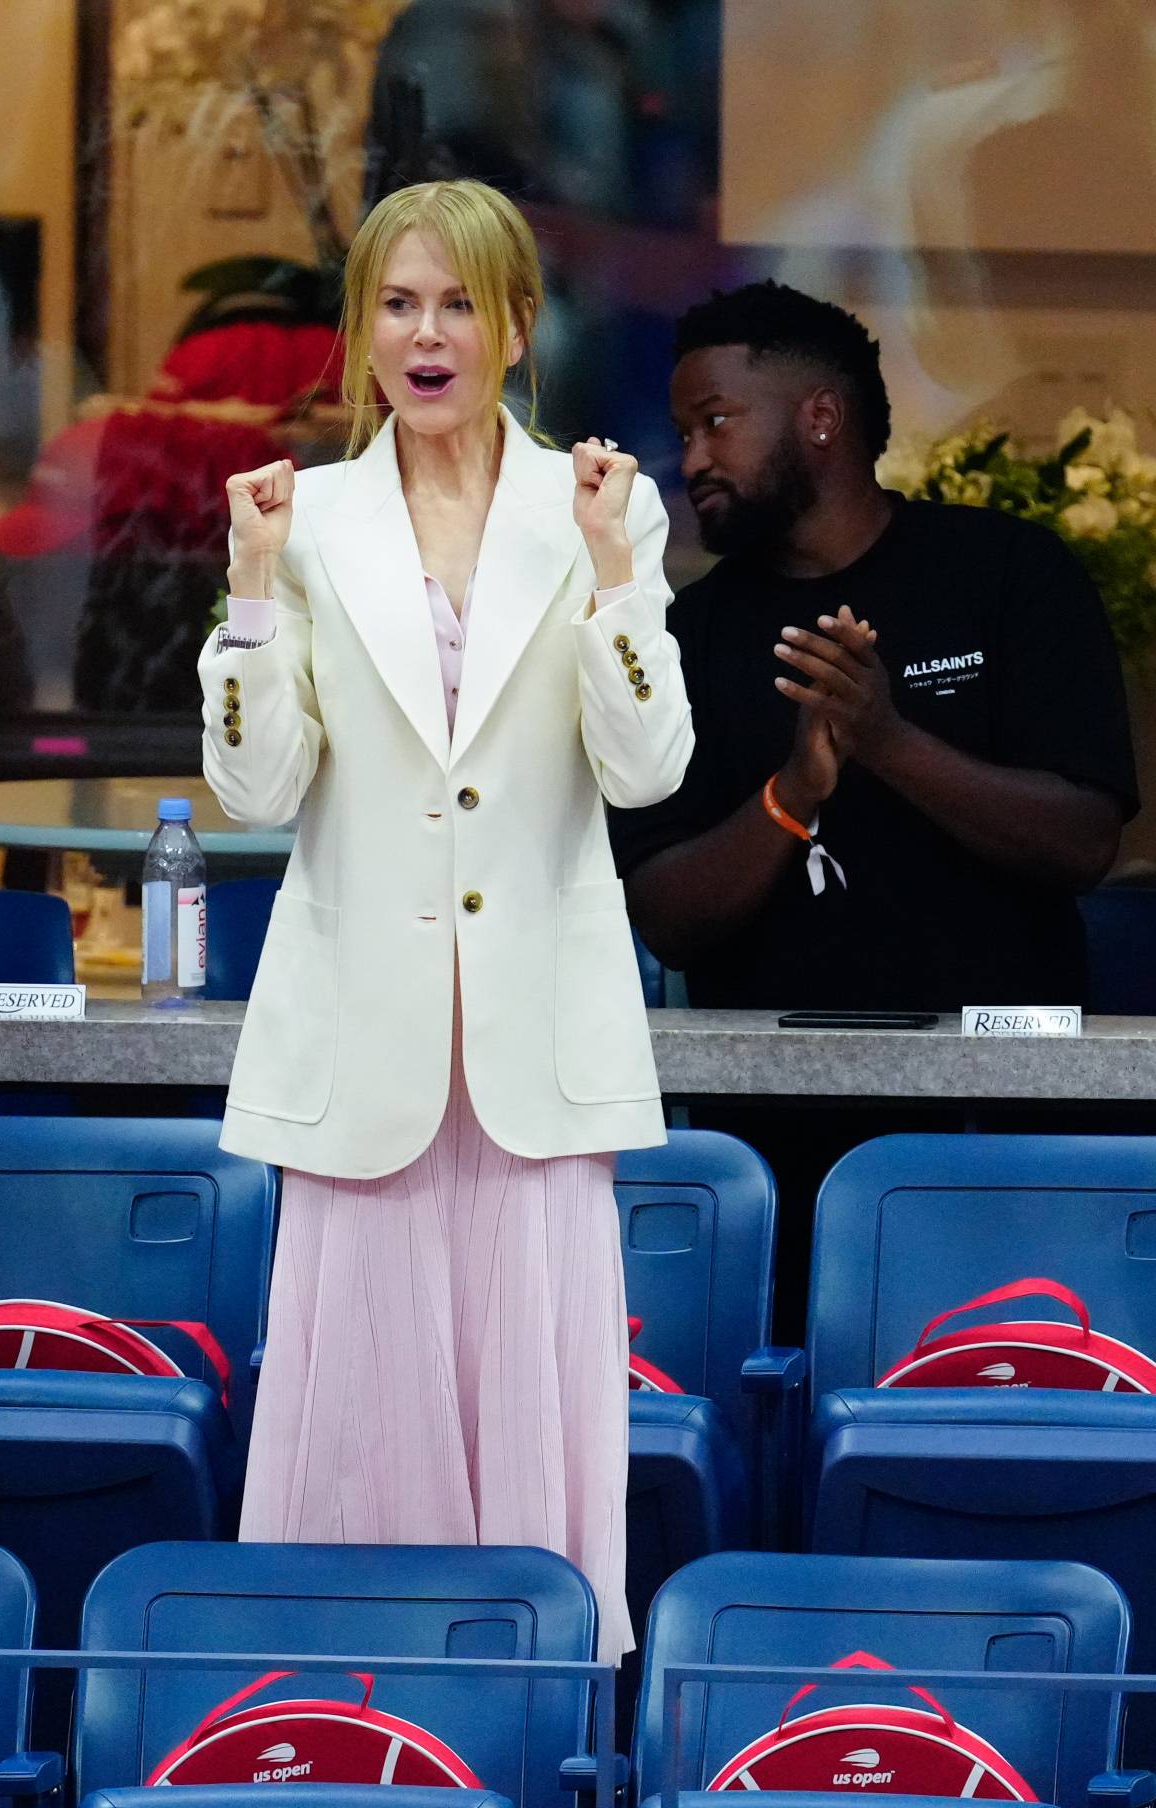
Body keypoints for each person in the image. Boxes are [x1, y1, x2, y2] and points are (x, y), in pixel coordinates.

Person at [200, 178, 694, 1661]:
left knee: (538, 1445)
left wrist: (616, 578)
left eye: (461, 304)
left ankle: (529, 1715)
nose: (430, 337)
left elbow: (648, 767)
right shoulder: (307, 517)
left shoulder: (599, 507)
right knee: (354, 1431)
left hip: (535, 1060)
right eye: (399, 306)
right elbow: (256, 786)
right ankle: (335, 1711)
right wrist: (249, 597)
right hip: (366, 1056)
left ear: (519, 326)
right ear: (360, 335)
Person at [613, 279, 1138, 1013]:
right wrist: (792, 791)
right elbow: (667, 920)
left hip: (1004, 1090)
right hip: (770, 1098)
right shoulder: (685, 632)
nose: (693, 460)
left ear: (821, 417)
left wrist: (886, 740)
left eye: (716, 422)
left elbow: (1082, 846)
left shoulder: (1010, 572)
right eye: (684, 434)